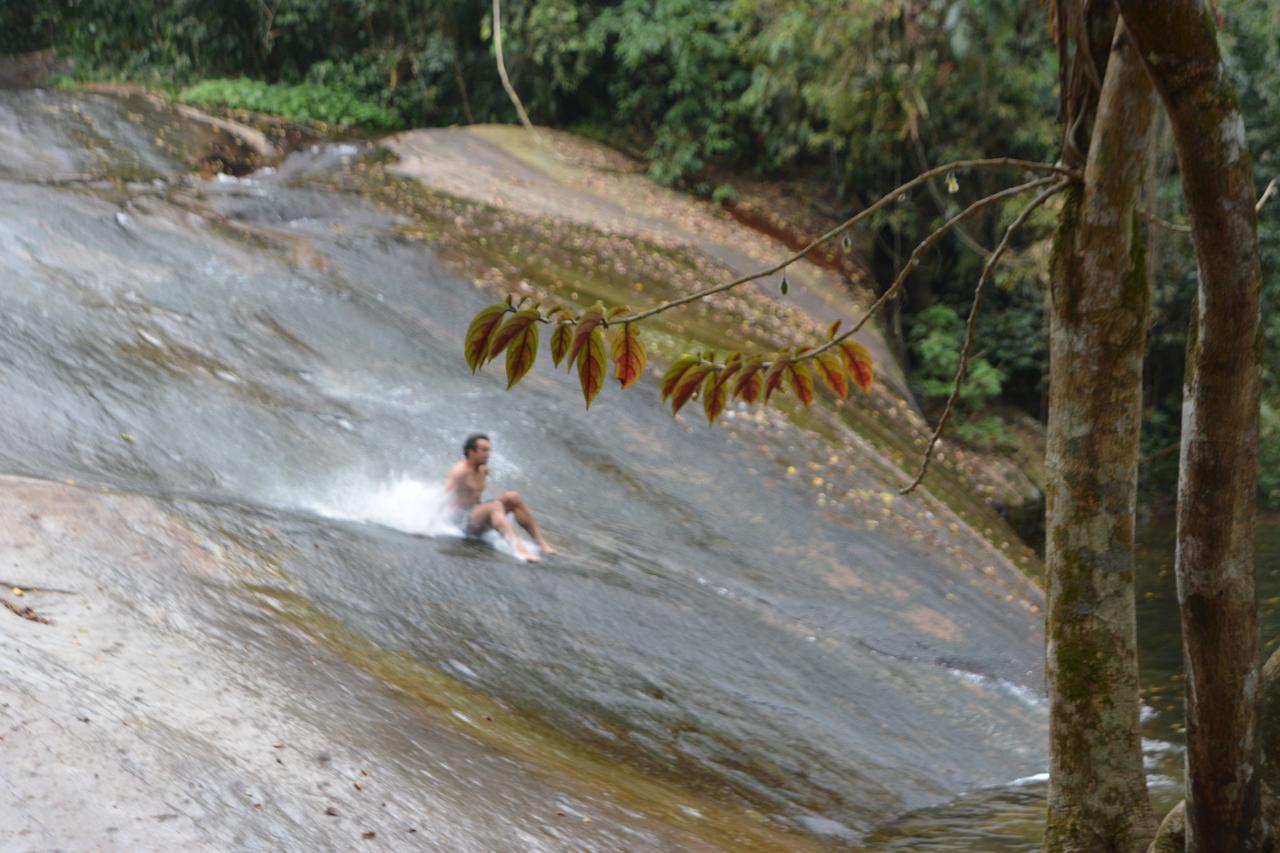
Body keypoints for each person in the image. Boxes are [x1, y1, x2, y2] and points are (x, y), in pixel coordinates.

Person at [444, 434, 555, 561]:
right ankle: (519, 549)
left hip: (477, 514)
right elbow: (444, 497)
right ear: (471, 452)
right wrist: (429, 525)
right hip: (462, 521)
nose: (488, 454)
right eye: (484, 450)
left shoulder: (483, 469)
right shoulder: (459, 472)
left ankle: (540, 542)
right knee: (495, 506)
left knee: (513, 497)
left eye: (489, 450)